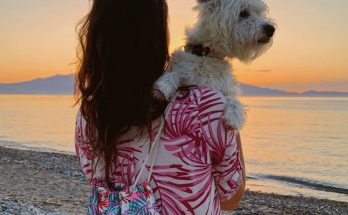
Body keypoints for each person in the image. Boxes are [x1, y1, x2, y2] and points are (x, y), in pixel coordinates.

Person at [73, 0, 245, 214]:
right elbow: (231, 197)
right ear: (157, 35)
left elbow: (97, 179)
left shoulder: (89, 115)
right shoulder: (206, 106)